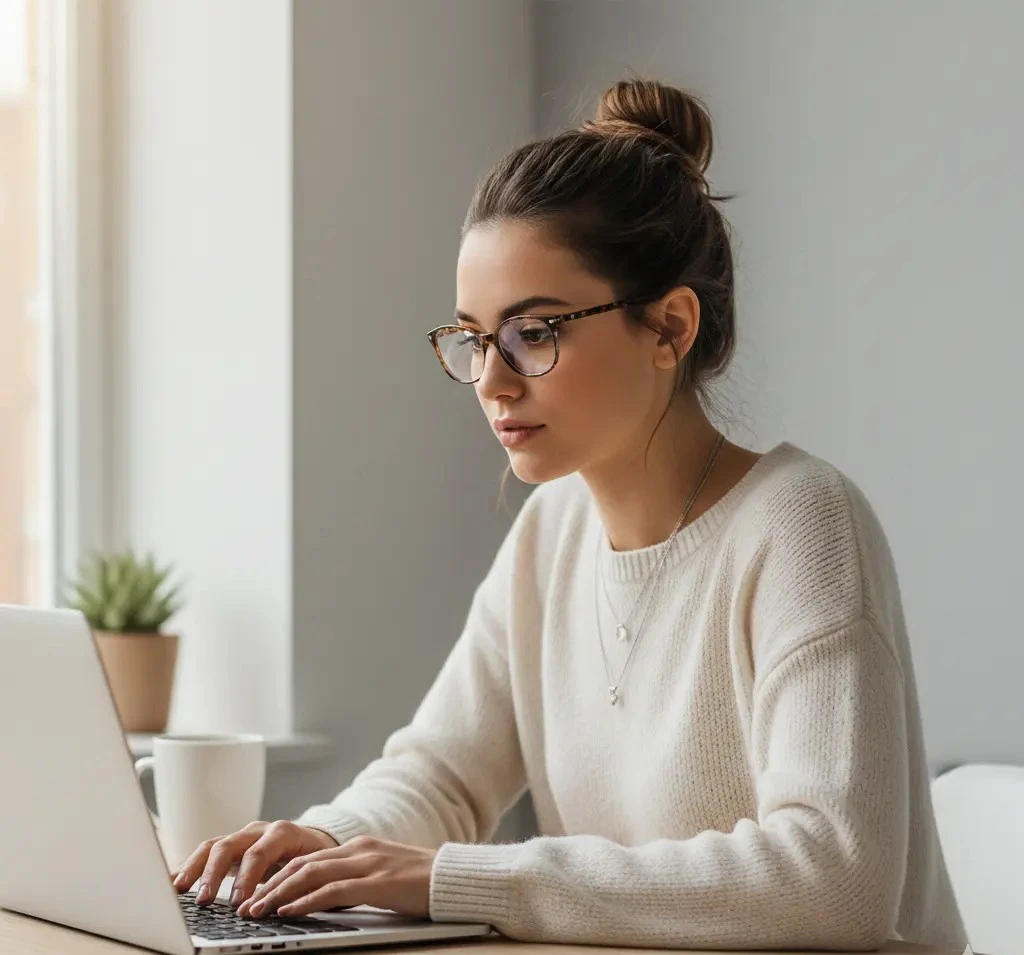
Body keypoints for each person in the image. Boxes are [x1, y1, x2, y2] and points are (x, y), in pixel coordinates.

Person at [170, 77, 968, 952]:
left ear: (669, 327)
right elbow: (438, 774)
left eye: (535, 332)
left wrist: (461, 878)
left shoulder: (803, 524)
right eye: (474, 337)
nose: (492, 380)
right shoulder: (552, 533)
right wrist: (325, 843)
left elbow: (831, 879)